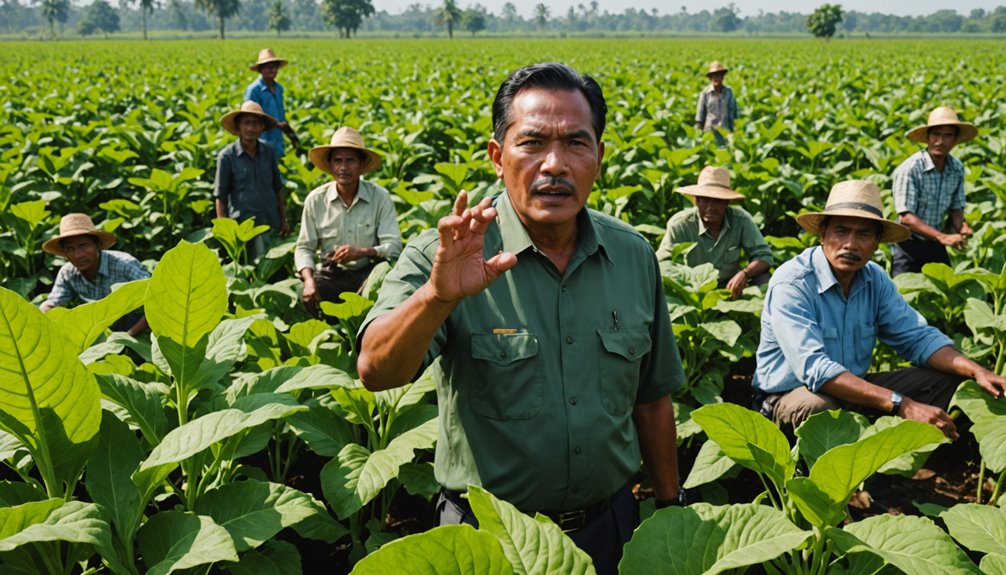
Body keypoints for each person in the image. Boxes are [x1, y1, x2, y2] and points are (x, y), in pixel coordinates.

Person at [356, 63, 684, 574]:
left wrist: (669, 506)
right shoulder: (446, 253)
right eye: (532, 143)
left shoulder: (633, 255)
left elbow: (652, 396)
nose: (555, 164)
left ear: (599, 157)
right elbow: (377, 370)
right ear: (497, 156)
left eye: (577, 143)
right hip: (488, 542)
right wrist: (437, 298)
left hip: (608, 530)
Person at [753, 180, 1005, 438]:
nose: (850, 244)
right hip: (791, 395)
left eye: (863, 234)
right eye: (841, 231)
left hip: (853, 388)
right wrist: (902, 404)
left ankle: (899, 463)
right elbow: (815, 370)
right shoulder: (793, 282)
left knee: (952, 381)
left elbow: (917, 338)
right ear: (822, 234)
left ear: (876, 244)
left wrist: (978, 371)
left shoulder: (874, 279)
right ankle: (810, 473)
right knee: (819, 409)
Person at [295, 127, 402, 315]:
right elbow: (304, 248)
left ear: (361, 165)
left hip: (367, 275)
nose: (343, 167)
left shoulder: (380, 197)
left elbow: (394, 246)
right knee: (301, 293)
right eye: (338, 160)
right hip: (330, 276)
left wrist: (362, 252)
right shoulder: (316, 200)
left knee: (392, 291)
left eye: (350, 160)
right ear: (330, 166)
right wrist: (309, 282)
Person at [655, 165, 772, 299]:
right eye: (705, 199)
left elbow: (764, 257)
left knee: (764, 279)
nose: (711, 207)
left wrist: (744, 273)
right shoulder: (680, 225)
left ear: (727, 202)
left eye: (717, 200)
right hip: (691, 293)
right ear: (696, 201)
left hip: (729, 290)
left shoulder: (741, 220)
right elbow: (662, 265)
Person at [890, 106, 979, 276]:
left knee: (943, 293)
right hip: (909, 244)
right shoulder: (910, 169)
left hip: (936, 243)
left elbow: (955, 207)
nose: (941, 141)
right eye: (936, 135)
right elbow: (906, 218)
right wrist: (943, 237)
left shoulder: (956, 168)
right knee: (902, 295)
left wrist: (962, 226)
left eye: (947, 136)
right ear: (928, 138)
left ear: (955, 141)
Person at [39, 213, 150, 336]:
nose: (78, 255)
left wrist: (130, 335)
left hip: (137, 329)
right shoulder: (68, 272)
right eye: (70, 249)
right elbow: (52, 303)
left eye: (84, 246)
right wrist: (44, 313)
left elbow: (157, 300)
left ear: (98, 245)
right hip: (97, 332)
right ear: (64, 253)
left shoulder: (124, 264)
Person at [214, 100, 290, 261]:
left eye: (255, 124)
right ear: (238, 127)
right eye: (246, 123)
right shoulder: (227, 156)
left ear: (262, 127)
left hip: (270, 223)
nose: (250, 128)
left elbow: (277, 189)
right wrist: (225, 232)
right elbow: (220, 197)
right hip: (242, 228)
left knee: (269, 272)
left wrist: (283, 220)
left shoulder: (268, 151)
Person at [244, 48, 297, 159]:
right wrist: (276, 124)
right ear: (260, 69)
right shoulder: (254, 90)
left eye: (274, 66)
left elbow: (281, 115)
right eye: (267, 66)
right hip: (260, 143)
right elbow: (249, 117)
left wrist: (290, 133)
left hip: (277, 142)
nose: (271, 69)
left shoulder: (279, 89)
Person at [694, 60, 738, 145]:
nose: (715, 78)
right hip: (710, 134)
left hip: (726, 133)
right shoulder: (705, 93)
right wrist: (699, 136)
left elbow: (734, 112)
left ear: (722, 77)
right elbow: (699, 117)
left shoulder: (729, 92)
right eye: (713, 76)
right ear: (710, 78)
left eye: (718, 76)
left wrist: (735, 130)